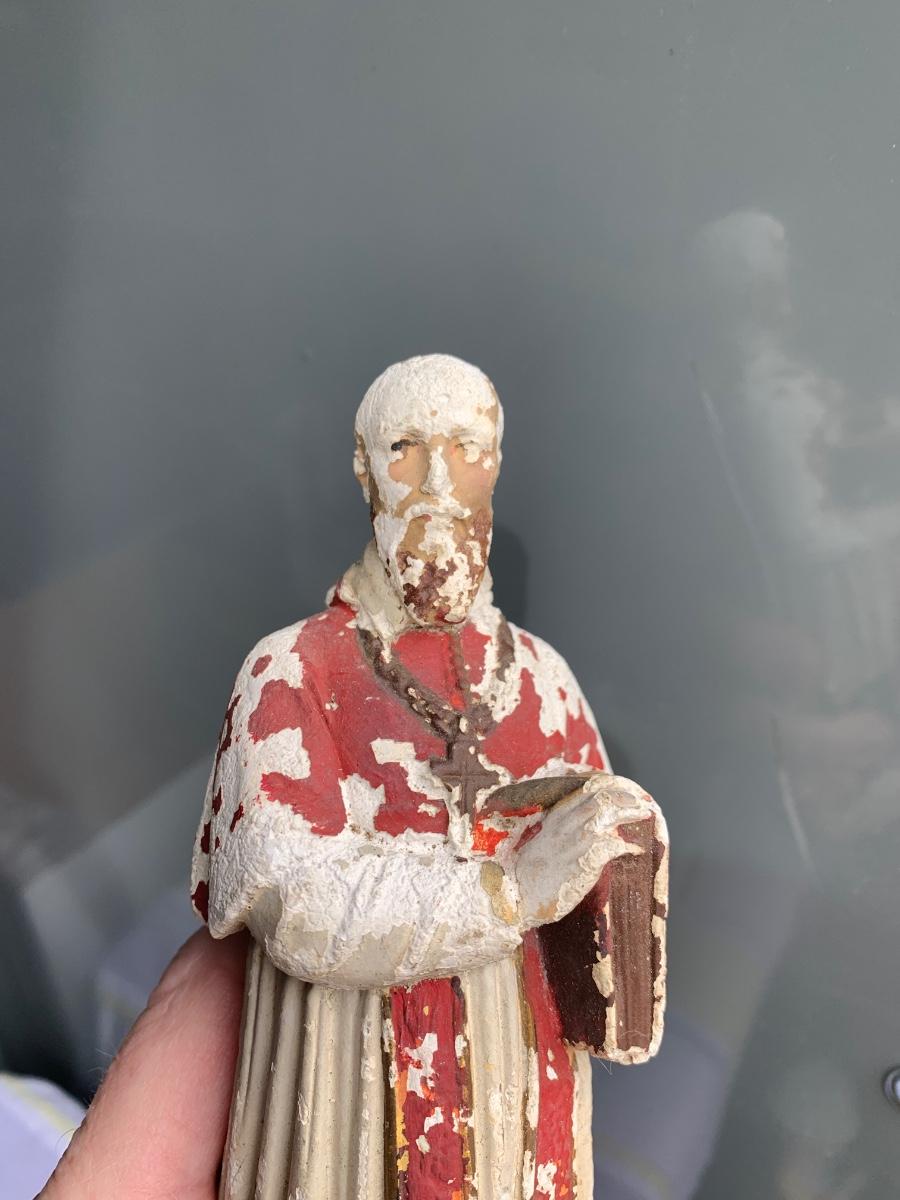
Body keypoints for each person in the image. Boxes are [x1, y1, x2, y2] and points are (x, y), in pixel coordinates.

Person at [187, 353, 665, 1199]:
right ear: (364, 469)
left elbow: (601, 883)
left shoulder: (544, 678)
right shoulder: (291, 670)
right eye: (406, 447)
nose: (438, 483)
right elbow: (293, 902)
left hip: (528, 1103)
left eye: (466, 447)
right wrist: (508, 891)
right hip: (351, 1095)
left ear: (496, 463)